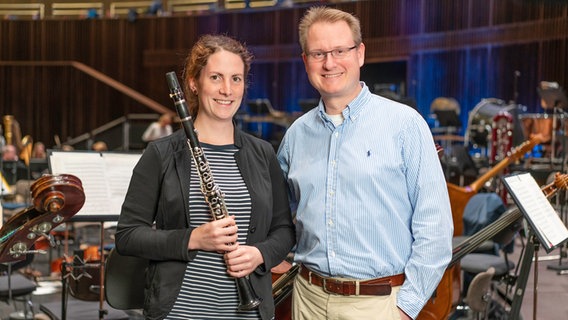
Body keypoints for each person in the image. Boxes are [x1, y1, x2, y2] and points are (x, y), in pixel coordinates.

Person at [276, 7, 453, 320]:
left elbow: (435, 229)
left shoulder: (405, 124)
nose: (329, 63)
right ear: (305, 62)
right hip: (307, 300)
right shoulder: (296, 135)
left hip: (378, 305)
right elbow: (277, 216)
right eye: (318, 53)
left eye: (340, 50)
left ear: (359, 54)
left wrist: (404, 309)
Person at [114, 34, 295, 320]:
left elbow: (284, 231)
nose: (227, 90)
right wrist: (193, 238)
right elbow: (127, 236)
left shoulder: (263, 154)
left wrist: (259, 255)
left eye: (236, 79)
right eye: (216, 77)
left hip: (249, 311)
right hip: (179, 311)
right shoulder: (162, 153)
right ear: (193, 83)